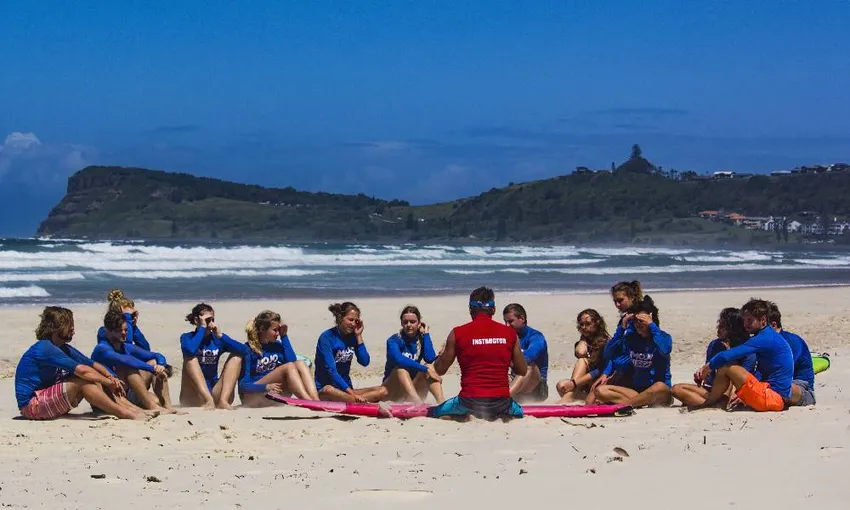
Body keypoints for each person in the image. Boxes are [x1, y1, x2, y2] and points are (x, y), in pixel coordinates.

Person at [15, 306, 147, 420]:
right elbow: (83, 371)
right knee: (83, 380)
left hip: (44, 400)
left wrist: (110, 377)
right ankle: (125, 413)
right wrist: (108, 382)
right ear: (56, 328)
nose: (73, 329)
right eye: (69, 325)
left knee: (94, 376)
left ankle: (134, 409)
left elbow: (92, 364)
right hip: (31, 406)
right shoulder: (45, 348)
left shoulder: (63, 348)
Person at [430, 287, 528, 420]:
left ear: (470, 309)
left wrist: (442, 354)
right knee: (519, 412)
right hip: (501, 403)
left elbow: (439, 370)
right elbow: (522, 370)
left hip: (469, 402)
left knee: (437, 411)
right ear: (493, 309)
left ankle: (463, 417)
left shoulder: (457, 333)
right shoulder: (510, 334)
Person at [696, 298, 794, 412]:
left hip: (773, 398)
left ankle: (711, 403)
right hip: (776, 397)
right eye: (744, 320)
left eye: (749, 320)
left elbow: (725, 356)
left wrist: (706, 368)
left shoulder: (764, 338)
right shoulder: (769, 336)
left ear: (763, 320)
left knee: (727, 366)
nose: (745, 324)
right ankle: (715, 401)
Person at [588, 296, 673, 408]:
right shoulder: (631, 339)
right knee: (600, 391)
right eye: (635, 321)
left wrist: (652, 325)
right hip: (637, 391)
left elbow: (665, 350)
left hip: (659, 392)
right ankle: (634, 403)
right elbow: (609, 353)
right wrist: (621, 329)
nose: (638, 324)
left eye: (641, 321)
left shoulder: (663, 337)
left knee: (659, 386)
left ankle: (625, 405)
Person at [92, 309, 180, 414]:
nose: (124, 333)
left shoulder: (126, 346)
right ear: (108, 331)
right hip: (108, 396)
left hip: (126, 392)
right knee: (128, 367)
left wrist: (160, 365)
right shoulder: (102, 348)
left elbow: (156, 355)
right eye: (119, 331)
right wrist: (152, 369)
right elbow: (125, 360)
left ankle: (168, 407)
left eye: (125, 330)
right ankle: (151, 406)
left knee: (153, 363)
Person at [671, 308, 755, 407]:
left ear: (732, 329)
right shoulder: (715, 344)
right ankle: (711, 405)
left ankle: (707, 404)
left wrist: (729, 355)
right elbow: (709, 376)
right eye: (718, 324)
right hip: (712, 390)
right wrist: (701, 375)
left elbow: (742, 378)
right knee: (676, 389)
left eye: (722, 326)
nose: (718, 328)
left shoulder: (746, 349)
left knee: (727, 369)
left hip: (732, 391)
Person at [239, 310, 319, 406]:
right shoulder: (248, 349)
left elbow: (293, 361)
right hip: (253, 395)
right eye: (275, 330)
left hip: (273, 392)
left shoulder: (276, 345)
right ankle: (307, 401)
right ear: (262, 329)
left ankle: (316, 400)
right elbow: (243, 385)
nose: (277, 333)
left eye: (278, 330)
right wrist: (265, 387)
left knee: (300, 363)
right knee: (288, 366)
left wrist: (284, 336)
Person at [314, 302, 388, 403]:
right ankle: (358, 401)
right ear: (340, 318)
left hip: (347, 391)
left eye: (356, 321)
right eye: (350, 320)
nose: (353, 324)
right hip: (328, 390)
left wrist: (358, 336)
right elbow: (332, 371)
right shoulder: (326, 337)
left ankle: (352, 401)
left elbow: (365, 361)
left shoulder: (353, 337)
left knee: (383, 391)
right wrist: (354, 395)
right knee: (329, 389)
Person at [179, 303, 246, 409]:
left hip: (214, 391)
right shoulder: (187, 337)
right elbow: (190, 350)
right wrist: (202, 329)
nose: (211, 324)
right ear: (197, 320)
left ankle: (223, 401)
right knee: (190, 359)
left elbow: (244, 351)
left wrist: (221, 336)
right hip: (193, 394)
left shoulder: (216, 339)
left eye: (212, 320)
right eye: (207, 320)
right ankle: (208, 400)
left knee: (236, 358)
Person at [383, 306, 444, 404]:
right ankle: (418, 402)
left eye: (412, 322)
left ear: (419, 323)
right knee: (401, 369)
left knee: (429, 366)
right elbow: (399, 360)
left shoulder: (420, 339)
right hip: (392, 391)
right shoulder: (393, 340)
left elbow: (429, 358)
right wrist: (426, 370)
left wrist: (426, 335)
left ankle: (442, 403)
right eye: (405, 322)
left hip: (412, 389)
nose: (408, 325)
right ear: (401, 323)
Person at [556, 309, 610, 403]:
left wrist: (574, 383)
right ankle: (582, 397)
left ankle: (568, 397)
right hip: (586, 383)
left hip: (600, 379)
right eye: (581, 324)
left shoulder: (605, 342)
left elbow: (600, 370)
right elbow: (581, 352)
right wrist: (583, 338)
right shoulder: (584, 341)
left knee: (582, 361)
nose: (584, 327)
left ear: (597, 323)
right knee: (561, 386)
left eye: (588, 324)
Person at [768, 302, 816, 406]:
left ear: (773, 325)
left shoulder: (792, 342)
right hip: (775, 386)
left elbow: (782, 371)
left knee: (782, 385)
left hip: (801, 389)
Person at [503, 303, 549, 403]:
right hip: (518, 381)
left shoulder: (536, 336)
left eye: (510, 321)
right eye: (505, 322)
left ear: (522, 319)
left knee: (528, 365)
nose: (507, 325)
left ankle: (504, 399)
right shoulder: (508, 337)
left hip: (538, 389)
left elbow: (530, 356)